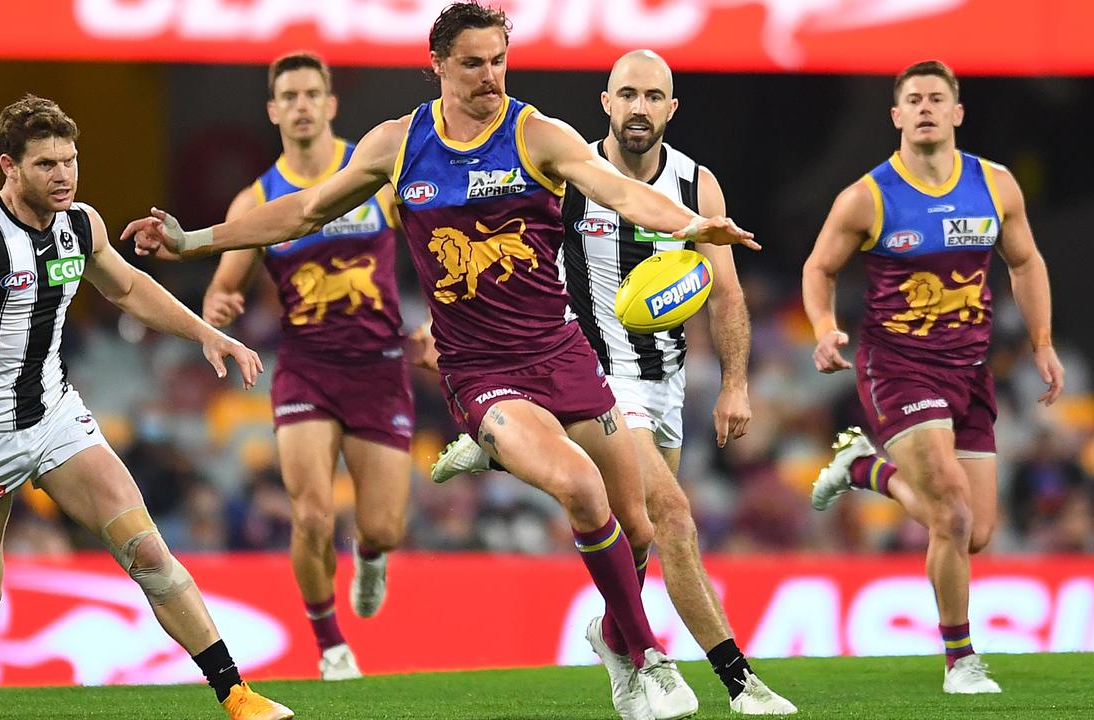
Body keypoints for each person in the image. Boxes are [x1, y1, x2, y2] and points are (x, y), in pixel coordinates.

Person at [125, 4, 758, 718]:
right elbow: (304, 210)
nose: (490, 76)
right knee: (583, 489)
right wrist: (194, 241)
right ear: (439, 65)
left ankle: (612, 637)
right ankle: (646, 657)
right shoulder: (400, 145)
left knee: (637, 528)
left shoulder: (536, 133)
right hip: (481, 372)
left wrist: (690, 224)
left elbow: (616, 187)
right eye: (473, 63)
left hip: (562, 353)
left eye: (498, 60)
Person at [0, 95, 292, 720]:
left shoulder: (80, 224)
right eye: (46, 164)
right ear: (10, 167)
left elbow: (129, 289)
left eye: (71, 160)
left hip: (55, 418)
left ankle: (235, 693)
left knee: (147, 552)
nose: (64, 175)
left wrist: (206, 332)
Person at [429, 50, 796, 715]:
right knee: (675, 517)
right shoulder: (568, 169)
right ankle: (741, 683)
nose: (638, 107)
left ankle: (611, 635)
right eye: (626, 94)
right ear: (606, 102)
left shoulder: (695, 184)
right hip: (590, 374)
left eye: (653, 96)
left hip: (666, 384)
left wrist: (736, 382)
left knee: (641, 537)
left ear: (671, 108)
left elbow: (728, 295)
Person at [802, 60, 1063, 695]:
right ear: (896, 116)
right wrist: (823, 327)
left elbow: (1025, 263)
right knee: (950, 509)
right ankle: (961, 661)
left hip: (971, 370)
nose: (924, 107)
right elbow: (819, 267)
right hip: (897, 367)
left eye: (935, 98)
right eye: (912, 99)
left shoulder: (996, 186)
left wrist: (1043, 343)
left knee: (976, 532)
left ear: (956, 112)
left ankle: (864, 469)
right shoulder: (867, 197)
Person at [200, 52, 414, 681]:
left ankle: (371, 556)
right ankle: (330, 645)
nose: (299, 104)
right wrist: (220, 303)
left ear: (330, 104)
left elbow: (427, 241)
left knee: (384, 526)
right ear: (273, 110)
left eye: (310, 93)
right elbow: (223, 284)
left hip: (380, 367)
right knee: (312, 512)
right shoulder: (257, 199)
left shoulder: (373, 171)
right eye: (288, 95)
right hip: (306, 368)